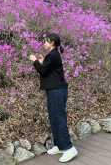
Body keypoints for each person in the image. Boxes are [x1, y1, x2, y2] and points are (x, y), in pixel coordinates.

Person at [29, 32, 78, 163]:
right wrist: (40, 61)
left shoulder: (53, 54)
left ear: (52, 43)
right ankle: (59, 145)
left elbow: (43, 71)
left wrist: (35, 61)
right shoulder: (52, 55)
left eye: (45, 41)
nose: (44, 43)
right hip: (54, 90)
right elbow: (47, 69)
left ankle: (69, 148)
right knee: (53, 117)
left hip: (58, 91)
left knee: (59, 118)